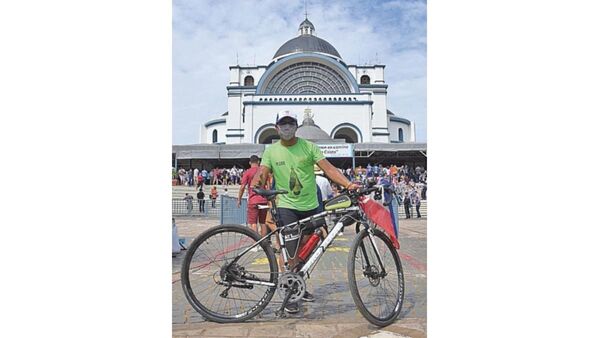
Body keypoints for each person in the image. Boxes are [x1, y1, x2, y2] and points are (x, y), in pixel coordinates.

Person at [251, 110, 359, 314]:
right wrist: (258, 182)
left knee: (308, 250)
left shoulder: (309, 147)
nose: (287, 127)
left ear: (296, 126)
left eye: (290, 123)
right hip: (286, 206)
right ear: (276, 127)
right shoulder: (271, 151)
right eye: (283, 124)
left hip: (310, 205)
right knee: (290, 251)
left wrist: (348, 184)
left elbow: (329, 169)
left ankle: (298, 284)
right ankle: (289, 291)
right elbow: (262, 172)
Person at [238, 155, 269, 240]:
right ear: (259, 162)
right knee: (263, 223)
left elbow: (242, 187)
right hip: (264, 199)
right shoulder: (263, 171)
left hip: (253, 200)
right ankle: (265, 243)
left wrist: (239, 199)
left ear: (250, 163)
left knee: (253, 223)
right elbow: (268, 186)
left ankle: (256, 244)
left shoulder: (247, 172)